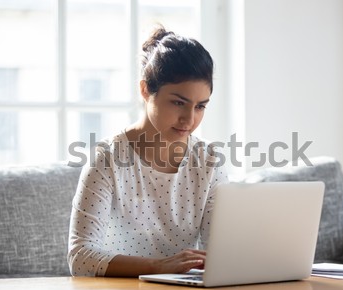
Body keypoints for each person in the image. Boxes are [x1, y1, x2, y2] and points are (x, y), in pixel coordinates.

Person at [67, 27, 229, 277]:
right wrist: (157, 267)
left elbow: (219, 254)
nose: (189, 118)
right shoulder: (107, 159)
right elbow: (80, 257)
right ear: (145, 90)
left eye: (200, 106)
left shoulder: (209, 161)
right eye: (178, 103)